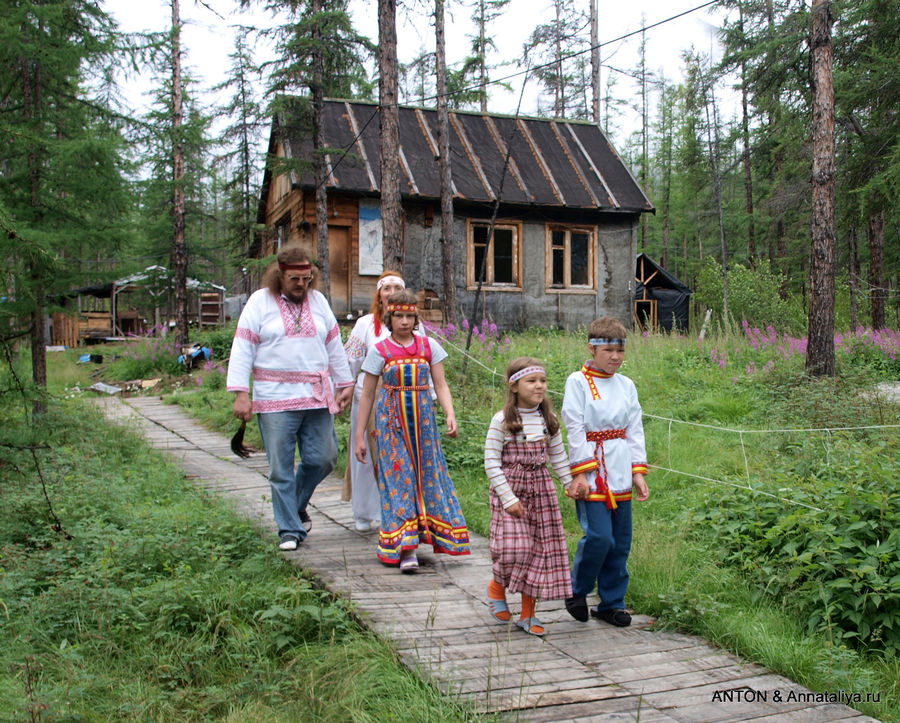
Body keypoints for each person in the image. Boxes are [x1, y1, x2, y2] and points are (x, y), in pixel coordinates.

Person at [227, 245, 354, 551]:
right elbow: (243, 348)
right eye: (295, 278)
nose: (301, 284)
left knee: (324, 458)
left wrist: (345, 381)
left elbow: (334, 344)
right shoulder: (260, 302)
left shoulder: (318, 301)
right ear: (280, 275)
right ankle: (289, 529)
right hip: (274, 398)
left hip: (316, 396)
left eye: (307, 278)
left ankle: (294, 505)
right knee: (280, 468)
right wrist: (241, 393)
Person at [354, 289, 470, 572]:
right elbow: (368, 394)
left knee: (427, 477)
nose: (404, 321)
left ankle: (426, 536)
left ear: (416, 317)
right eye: (398, 316)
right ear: (389, 317)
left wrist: (450, 413)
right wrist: (359, 434)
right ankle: (405, 548)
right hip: (391, 424)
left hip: (424, 424)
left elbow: (440, 384)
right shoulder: (380, 351)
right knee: (399, 478)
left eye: (409, 316)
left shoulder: (428, 346)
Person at [561, 317, 650, 627]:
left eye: (620, 350)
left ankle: (611, 603)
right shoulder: (577, 381)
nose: (615, 357)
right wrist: (581, 473)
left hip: (621, 468)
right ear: (592, 347)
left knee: (621, 541)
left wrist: (638, 471)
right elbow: (574, 426)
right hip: (592, 470)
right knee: (600, 537)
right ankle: (576, 590)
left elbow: (634, 429)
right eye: (609, 350)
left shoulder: (627, 385)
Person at [484, 357, 573, 637]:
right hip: (511, 490)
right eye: (531, 381)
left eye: (543, 381)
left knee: (539, 554)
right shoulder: (503, 420)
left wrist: (569, 483)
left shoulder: (548, 420)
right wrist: (508, 498)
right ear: (514, 386)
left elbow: (557, 456)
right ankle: (497, 586)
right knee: (515, 548)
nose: (539, 386)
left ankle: (528, 614)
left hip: (542, 491)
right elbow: (491, 461)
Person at [343, 271, 425, 532]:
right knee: (365, 455)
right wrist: (343, 386)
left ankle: (390, 510)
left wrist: (430, 396)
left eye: (396, 287)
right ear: (379, 295)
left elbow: (425, 362)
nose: (390, 292)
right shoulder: (365, 324)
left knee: (397, 457)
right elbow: (351, 362)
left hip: (404, 401)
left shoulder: (414, 326)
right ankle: (363, 512)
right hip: (369, 398)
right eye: (386, 288)